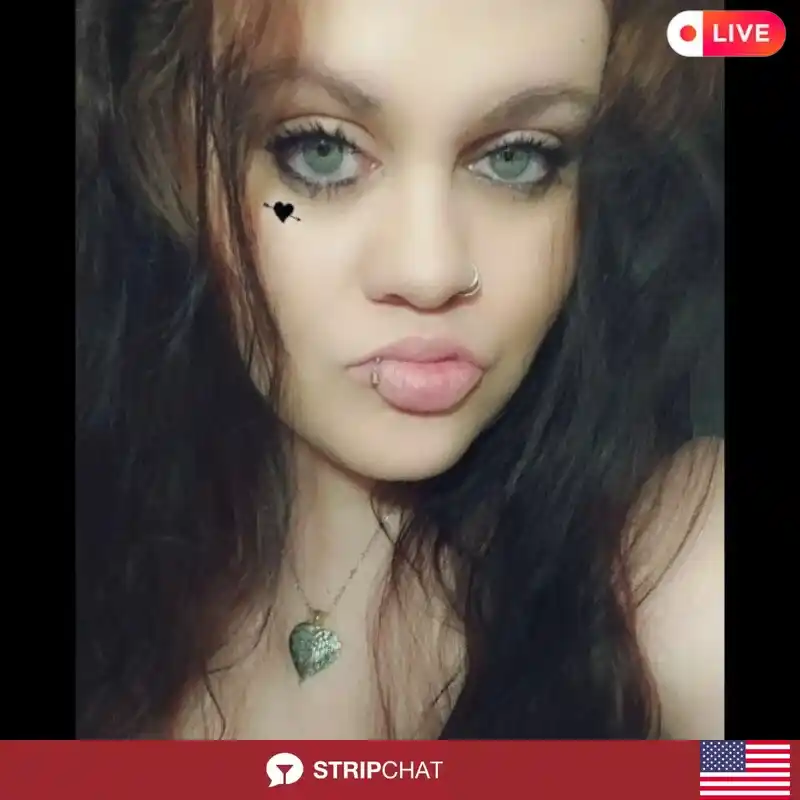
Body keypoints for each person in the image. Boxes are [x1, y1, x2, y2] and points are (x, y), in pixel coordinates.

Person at [76, 0, 724, 740]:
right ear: (170, 159)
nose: (430, 271)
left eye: (517, 158)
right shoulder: (107, 554)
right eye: (321, 151)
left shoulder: (681, 576)